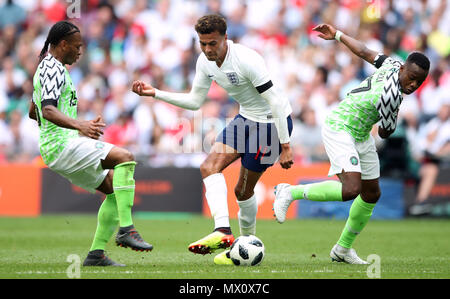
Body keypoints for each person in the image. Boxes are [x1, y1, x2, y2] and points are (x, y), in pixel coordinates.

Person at [132, 14, 293, 265]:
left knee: (242, 190)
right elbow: (195, 101)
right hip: (246, 118)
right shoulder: (204, 62)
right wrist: (155, 94)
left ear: (225, 38)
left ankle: (245, 245)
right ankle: (223, 232)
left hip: (271, 124)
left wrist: (285, 146)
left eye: (213, 43)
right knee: (208, 166)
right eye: (203, 43)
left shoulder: (247, 60)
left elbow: (276, 102)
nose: (207, 49)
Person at [273, 23, 430, 264]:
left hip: (360, 133)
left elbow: (365, 52)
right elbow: (387, 134)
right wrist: (394, 115)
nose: (412, 85)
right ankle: (289, 191)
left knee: (371, 193)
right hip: (340, 126)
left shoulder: (392, 65)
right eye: (411, 78)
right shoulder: (391, 96)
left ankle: (342, 249)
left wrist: (337, 34)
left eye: (418, 82)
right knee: (351, 190)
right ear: (404, 69)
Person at [29, 21, 153, 267]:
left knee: (113, 188)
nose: (80, 51)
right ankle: (127, 230)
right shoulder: (52, 69)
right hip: (61, 145)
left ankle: (96, 255)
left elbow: (33, 112)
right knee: (125, 156)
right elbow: (48, 110)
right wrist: (80, 125)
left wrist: (75, 128)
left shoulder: (49, 68)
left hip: (59, 145)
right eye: (77, 46)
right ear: (63, 44)